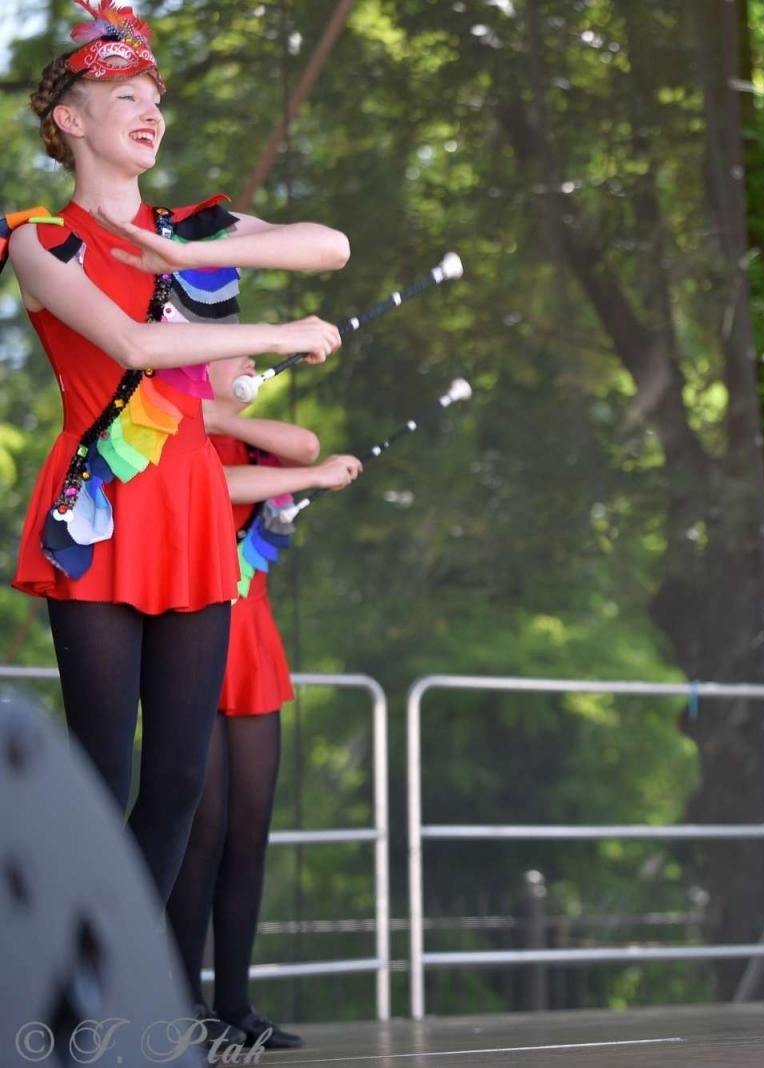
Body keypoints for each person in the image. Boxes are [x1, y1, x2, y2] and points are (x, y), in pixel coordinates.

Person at [3, 0, 347, 905]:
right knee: (102, 775)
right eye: (124, 93)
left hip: (193, 509)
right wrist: (278, 331)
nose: (149, 107)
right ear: (69, 120)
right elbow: (133, 348)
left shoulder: (194, 230)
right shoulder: (41, 240)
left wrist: (179, 248)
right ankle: (62, 979)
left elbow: (330, 246)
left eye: (156, 94)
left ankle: (135, 1000)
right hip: (101, 508)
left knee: (181, 789)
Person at [163, 354, 363, 1050]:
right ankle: (179, 1002)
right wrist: (310, 475)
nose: (251, 362)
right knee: (203, 828)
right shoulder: (171, 430)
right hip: (193, 627)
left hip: (253, 639)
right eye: (236, 356)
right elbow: (219, 488)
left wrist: (250, 398)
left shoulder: (253, 436)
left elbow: (304, 444)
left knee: (250, 827)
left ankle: (237, 1004)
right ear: (195, 370)